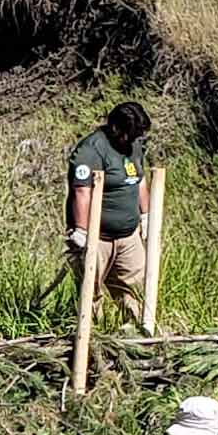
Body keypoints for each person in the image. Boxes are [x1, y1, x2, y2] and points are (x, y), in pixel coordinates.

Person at [64, 98, 154, 319]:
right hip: (98, 237)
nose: (134, 140)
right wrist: (81, 232)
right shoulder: (91, 150)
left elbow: (139, 180)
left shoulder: (133, 146)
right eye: (130, 134)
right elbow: (82, 191)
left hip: (128, 237)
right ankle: (92, 336)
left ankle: (134, 333)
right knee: (90, 293)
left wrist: (146, 216)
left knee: (133, 291)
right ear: (115, 128)